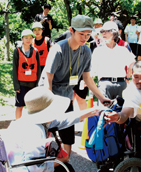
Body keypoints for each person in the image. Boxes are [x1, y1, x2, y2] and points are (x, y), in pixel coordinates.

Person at [6, 86, 100, 172]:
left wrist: (92, 111)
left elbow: (63, 120)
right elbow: (36, 167)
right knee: (66, 171)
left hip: (15, 170)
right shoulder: (35, 132)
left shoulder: (28, 122)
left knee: (62, 168)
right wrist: (60, 161)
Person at [45, 15, 111, 159]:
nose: (85, 38)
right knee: (46, 133)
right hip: (48, 95)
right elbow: (47, 79)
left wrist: (102, 98)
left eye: (88, 34)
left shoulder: (86, 51)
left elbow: (87, 78)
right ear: (71, 31)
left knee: (68, 132)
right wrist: (49, 104)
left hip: (66, 95)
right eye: (81, 34)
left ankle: (65, 161)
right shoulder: (58, 49)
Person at [104, 61, 141, 126]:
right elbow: (124, 115)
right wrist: (117, 117)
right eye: (136, 77)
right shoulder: (132, 93)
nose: (140, 81)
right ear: (132, 74)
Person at [91, 21, 135, 101]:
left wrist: (128, 78)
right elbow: (92, 70)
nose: (103, 33)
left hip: (121, 84)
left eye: (106, 31)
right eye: (102, 31)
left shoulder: (123, 50)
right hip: (104, 84)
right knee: (104, 111)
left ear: (114, 33)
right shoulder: (98, 51)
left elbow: (132, 63)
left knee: (122, 112)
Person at [13, 29, 41, 119]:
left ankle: (32, 125)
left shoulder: (35, 51)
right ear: (22, 39)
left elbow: (38, 69)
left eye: (30, 38)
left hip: (32, 84)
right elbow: (14, 68)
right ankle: (18, 124)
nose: (28, 40)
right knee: (20, 106)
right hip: (21, 84)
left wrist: (38, 84)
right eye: (26, 38)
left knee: (33, 107)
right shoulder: (17, 51)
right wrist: (16, 85)